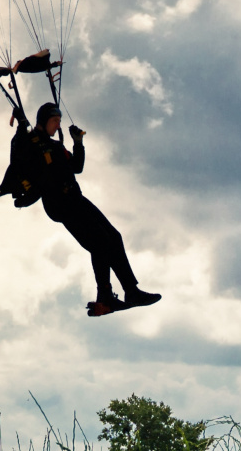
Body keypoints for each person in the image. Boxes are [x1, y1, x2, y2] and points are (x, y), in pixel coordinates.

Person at [10, 102, 161, 316]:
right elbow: (19, 153)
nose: (57, 125)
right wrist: (20, 125)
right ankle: (105, 296)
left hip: (74, 197)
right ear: (43, 121)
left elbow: (77, 167)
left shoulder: (55, 146)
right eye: (54, 121)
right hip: (59, 204)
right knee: (100, 242)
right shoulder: (32, 143)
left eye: (59, 121)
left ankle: (131, 291)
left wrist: (78, 143)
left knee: (114, 237)